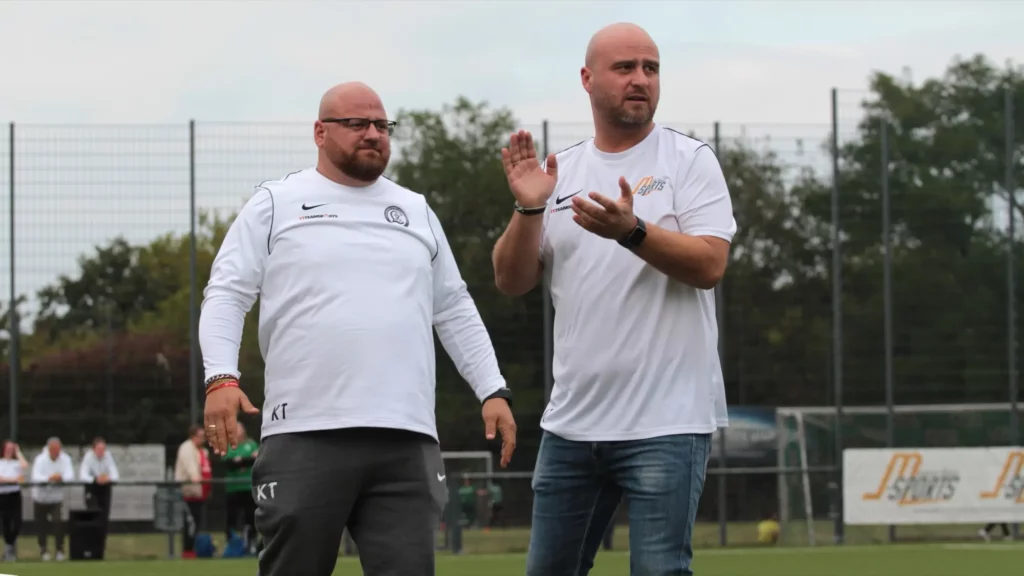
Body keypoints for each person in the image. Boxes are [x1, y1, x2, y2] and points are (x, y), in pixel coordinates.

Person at [199, 81, 516, 576]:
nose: (372, 134)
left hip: (406, 439)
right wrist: (221, 376)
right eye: (357, 124)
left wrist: (492, 389)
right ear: (320, 132)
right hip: (304, 434)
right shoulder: (276, 202)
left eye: (381, 125)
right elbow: (227, 292)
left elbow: (453, 306)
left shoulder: (415, 209)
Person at [492, 22, 734, 576]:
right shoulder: (562, 172)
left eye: (650, 68)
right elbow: (511, 280)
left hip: (667, 422)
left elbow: (709, 265)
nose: (640, 80)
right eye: (625, 68)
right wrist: (528, 209)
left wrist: (633, 231)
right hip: (573, 425)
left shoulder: (689, 161)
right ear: (587, 78)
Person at [30, 437, 75, 562]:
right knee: (41, 525)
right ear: (49, 449)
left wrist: (60, 477)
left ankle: (60, 550)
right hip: (40, 498)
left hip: (56, 498)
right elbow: (36, 477)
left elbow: (70, 475)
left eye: (58, 449)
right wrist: (49, 478)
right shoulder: (40, 460)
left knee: (58, 523)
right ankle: (43, 550)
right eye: (53, 449)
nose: (56, 452)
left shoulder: (65, 459)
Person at [174, 425, 212, 559]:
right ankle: (187, 550)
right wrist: (195, 477)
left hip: (200, 493)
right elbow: (190, 466)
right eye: (200, 436)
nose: (202, 439)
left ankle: (194, 548)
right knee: (190, 522)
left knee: (197, 521)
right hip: (189, 491)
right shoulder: (186, 448)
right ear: (193, 436)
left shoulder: (203, 451)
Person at [222, 422, 259, 554]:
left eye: (239, 428)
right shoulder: (228, 446)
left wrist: (241, 461)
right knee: (231, 518)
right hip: (233, 489)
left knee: (251, 517)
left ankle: (251, 543)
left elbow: (255, 461)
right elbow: (229, 464)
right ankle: (231, 544)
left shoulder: (251, 444)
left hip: (248, 487)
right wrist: (245, 460)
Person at [79, 436, 120, 523]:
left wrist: (107, 478)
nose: (101, 451)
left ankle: (102, 535)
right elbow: (83, 475)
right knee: (93, 513)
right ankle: (92, 535)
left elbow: (115, 475)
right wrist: (95, 479)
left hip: (105, 488)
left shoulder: (108, 456)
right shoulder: (88, 457)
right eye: (99, 449)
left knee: (104, 515)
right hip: (92, 488)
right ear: (93, 449)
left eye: (103, 449)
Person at [0, 440, 28, 561]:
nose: (10, 450)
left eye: (12, 448)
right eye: (8, 448)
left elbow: (24, 468)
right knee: (5, 522)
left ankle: (9, 546)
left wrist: (18, 452)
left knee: (17, 521)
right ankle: (9, 548)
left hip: (15, 495)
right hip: (2, 495)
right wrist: (13, 480)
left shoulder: (16, 463)